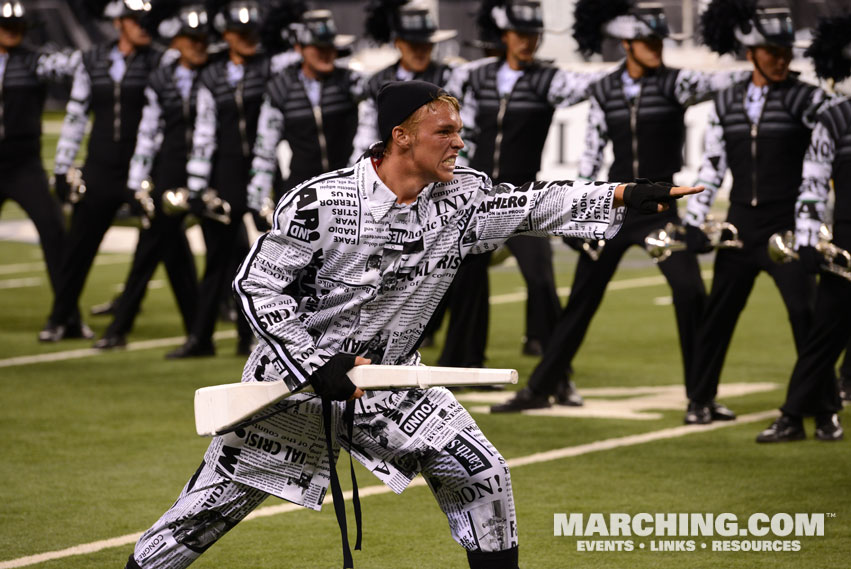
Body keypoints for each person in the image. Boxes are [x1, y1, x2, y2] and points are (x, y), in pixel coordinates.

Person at [123, 80, 701, 569]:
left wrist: (626, 194)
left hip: (393, 384)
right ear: (401, 137)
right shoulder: (318, 204)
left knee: (483, 476)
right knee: (203, 516)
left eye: (458, 131)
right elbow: (257, 285)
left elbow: (531, 207)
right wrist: (314, 363)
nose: (459, 142)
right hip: (292, 388)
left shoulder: (461, 198)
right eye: (444, 132)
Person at [493, 0, 743, 412]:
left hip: (661, 211)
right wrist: (580, 218)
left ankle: (701, 398)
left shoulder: (678, 83)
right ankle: (541, 388)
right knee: (581, 301)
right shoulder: (604, 89)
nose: (656, 46)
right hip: (615, 208)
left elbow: (727, 81)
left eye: (659, 39)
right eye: (647, 40)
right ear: (627, 43)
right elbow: (591, 157)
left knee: (690, 292)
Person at [437, 0, 604, 369]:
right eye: (520, 33)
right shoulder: (472, 76)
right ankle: (463, 361)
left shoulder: (549, 78)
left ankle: (555, 367)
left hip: (525, 194)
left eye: (534, 34)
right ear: (504, 34)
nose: (528, 41)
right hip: (476, 196)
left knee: (540, 278)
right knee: (465, 276)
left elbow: (595, 84)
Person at [682, 0, 828, 424]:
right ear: (751, 53)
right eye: (772, 52)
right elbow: (711, 167)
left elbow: (822, 164)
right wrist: (695, 220)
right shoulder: (725, 103)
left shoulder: (809, 100)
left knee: (806, 316)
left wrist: (812, 229)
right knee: (718, 316)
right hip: (741, 225)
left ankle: (821, 409)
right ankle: (700, 400)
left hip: (788, 226)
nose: (781, 59)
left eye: (785, 51)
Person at [165, 0, 295, 358]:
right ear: (226, 36)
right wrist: (196, 187)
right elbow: (204, 135)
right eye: (240, 33)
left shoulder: (270, 67)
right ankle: (200, 338)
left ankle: (251, 339)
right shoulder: (211, 75)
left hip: (265, 171)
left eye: (252, 32)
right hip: (225, 174)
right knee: (220, 260)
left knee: (268, 261)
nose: (248, 38)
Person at [40, 0, 167, 342]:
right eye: (137, 19)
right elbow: (76, 116)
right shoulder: (91, 60)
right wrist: (63, 168)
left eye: (147, 19)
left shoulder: (160, 61)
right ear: (118, 23)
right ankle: (61, 317)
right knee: (78, 247)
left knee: (161, 246)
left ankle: (124, 320)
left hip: (143, 170)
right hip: (99, 168)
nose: (144, 25)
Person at [755, 13, 851, 443]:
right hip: (847, 243)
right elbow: (813, 183)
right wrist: (810, 240)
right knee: (823, 337)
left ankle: (798, 415)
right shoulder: (836, 118)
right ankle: (795, 416)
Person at [93, 2, 210, 350]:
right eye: (189, 38)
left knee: (227, 251)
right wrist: (138, 180)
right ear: (174, 40)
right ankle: (119, 328)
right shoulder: (160, 78)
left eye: (202, 38)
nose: (197, 44)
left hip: (213, 170)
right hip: (170, 170)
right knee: (153, 248)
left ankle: (207, 331)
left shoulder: (217, 72)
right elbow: (148, 132)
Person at [0, 0, 80, 329]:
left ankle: (67, 318)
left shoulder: (36, 60)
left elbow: (70, 65)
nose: (12, 31)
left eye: (18, 25)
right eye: (6, 25)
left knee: (54, 232)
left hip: (24, 164)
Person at [245, 7, 362, 217]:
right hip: (303, 190)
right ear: (299, 48)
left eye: (330, 47)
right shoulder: (280, 89)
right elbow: (265, 148)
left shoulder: (351, 82)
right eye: (318, 47)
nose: (326, 53)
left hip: (348, 187)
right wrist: (258, 199)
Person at [348, 0, 457, 164]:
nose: (421, 51)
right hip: (390, 170)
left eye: (426, 45)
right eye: (414, 45)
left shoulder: (449, 77)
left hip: (435, 166)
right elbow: (366, 133)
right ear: (398, 43)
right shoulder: (377, 82)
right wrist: (360, 169)